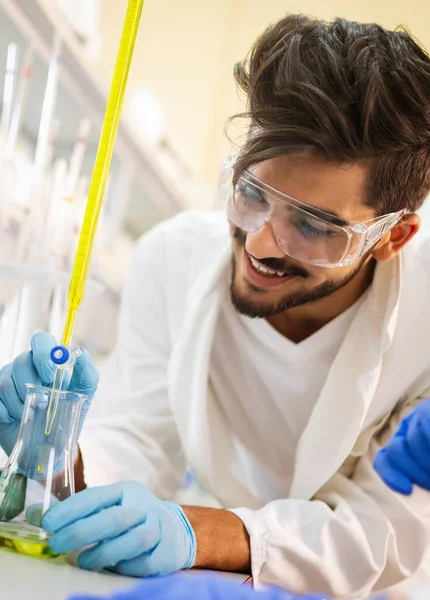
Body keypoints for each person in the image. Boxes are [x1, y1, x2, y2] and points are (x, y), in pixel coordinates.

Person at [0, 12, 429, 600]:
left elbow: (384, 530)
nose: (258, 244)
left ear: (391, 237)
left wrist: (198, 533)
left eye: (312, 225)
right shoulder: (174, 257)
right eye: (252, 192)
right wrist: (61, 454)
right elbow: (139, 441)